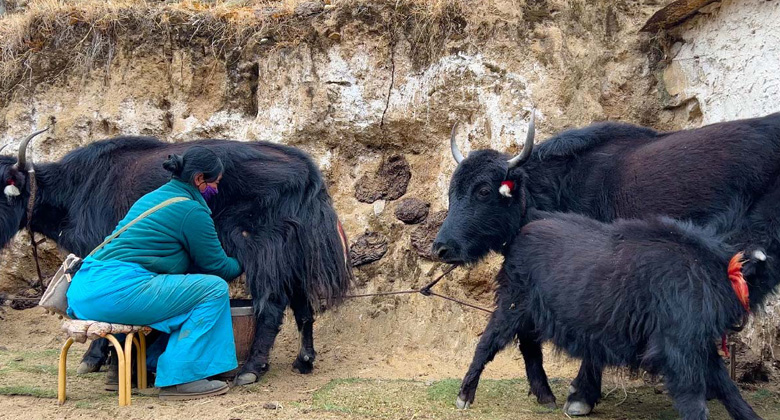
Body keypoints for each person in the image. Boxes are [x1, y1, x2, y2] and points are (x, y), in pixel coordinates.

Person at [66, 146, 243, 400]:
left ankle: (126, 372)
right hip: (116, 291)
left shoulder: (152, 198)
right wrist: (245, 260)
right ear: (199, 179)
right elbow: (217, 266)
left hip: (85, 291)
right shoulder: (191, 210)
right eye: (216, 181)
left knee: (170, 294)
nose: (216, 187)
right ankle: (181, 378)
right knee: (212, 289)